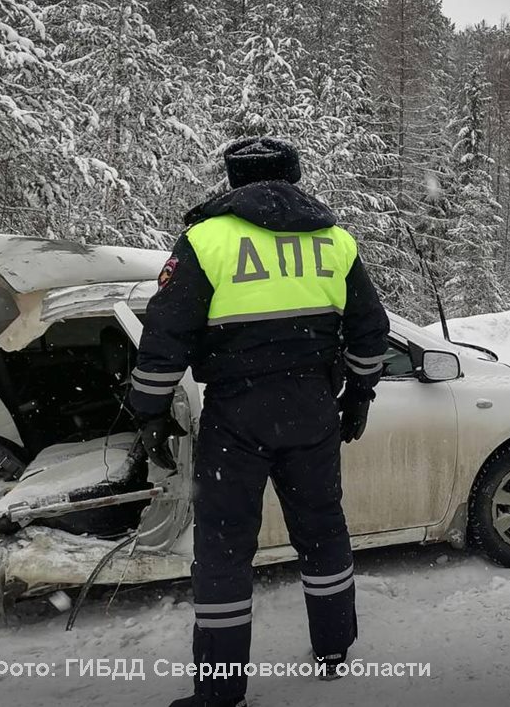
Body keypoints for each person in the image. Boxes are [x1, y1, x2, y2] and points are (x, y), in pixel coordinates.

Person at [127, 138, 390, 707]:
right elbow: (372, 332)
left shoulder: (207, 239)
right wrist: (358, 392)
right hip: (313, 409)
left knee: (224, 549)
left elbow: (165, 335)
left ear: (232, 178)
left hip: (237, 415)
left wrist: (149, 411)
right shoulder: (335, 241)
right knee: (323, 529)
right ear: (294, 176)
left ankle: (220, 692)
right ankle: (334, 647)